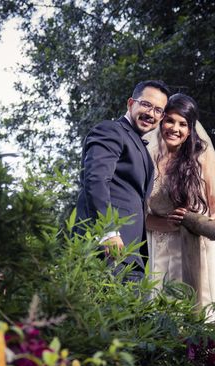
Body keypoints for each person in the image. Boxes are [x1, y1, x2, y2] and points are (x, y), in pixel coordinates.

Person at [143, 93, 215, 309]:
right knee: (171, 309)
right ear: (161, 120)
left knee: (205, 306)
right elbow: (141, 218)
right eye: (169, 120)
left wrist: (202, 222)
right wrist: (168, 223)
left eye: (182, 124)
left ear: (190, 129)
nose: (174, 128)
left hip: (203, 243)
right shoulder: (146, 158)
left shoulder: (201, 154)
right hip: (165, 247)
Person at [74, 80, 170, 280]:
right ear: (130, 103)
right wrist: (108, 231)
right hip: (106, 248)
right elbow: (96, 180)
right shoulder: (111, 130)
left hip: (130, 254)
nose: (151, 114)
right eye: (146, 105)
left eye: (158, 110)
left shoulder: (139, 145)